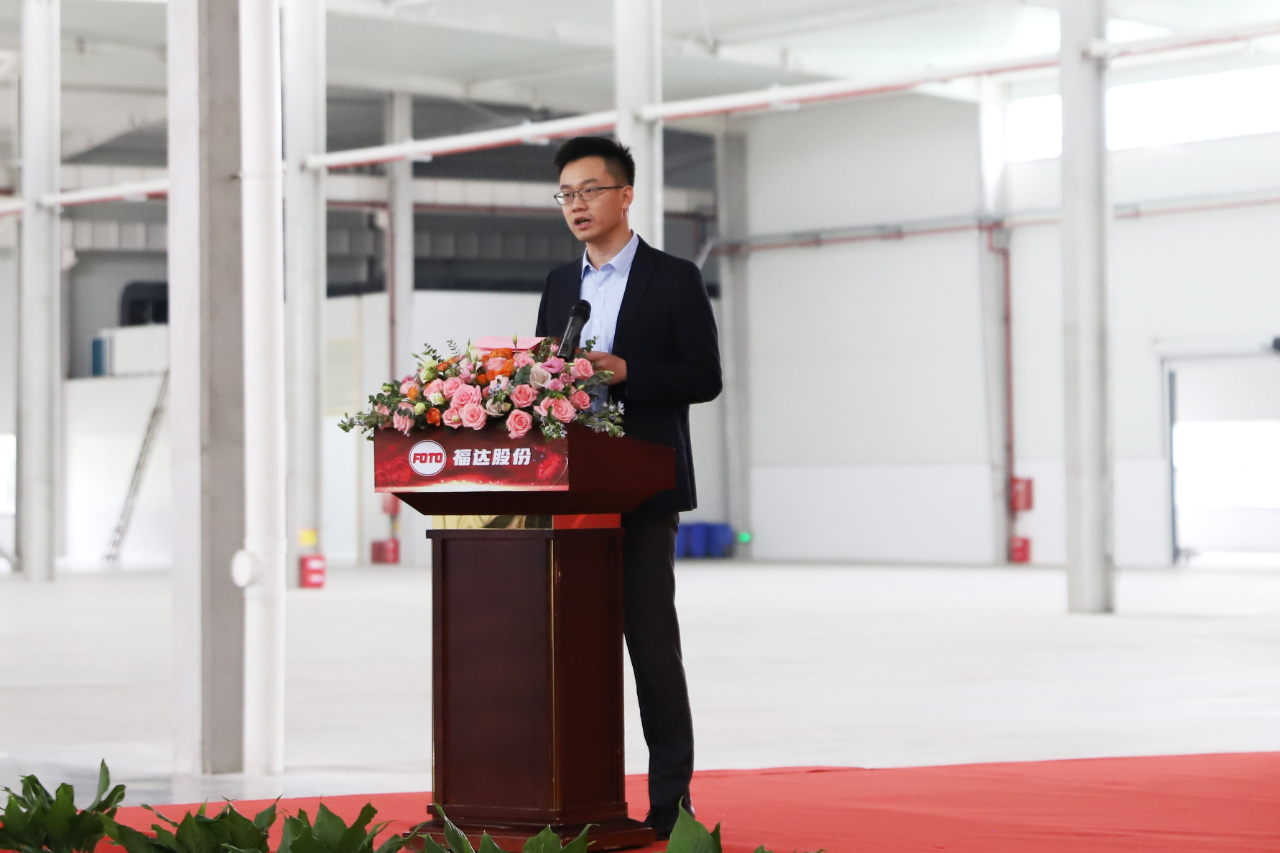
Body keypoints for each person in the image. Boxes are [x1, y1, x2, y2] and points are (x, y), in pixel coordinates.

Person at [535, 136, 722, 839]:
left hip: (642, 489)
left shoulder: (673, 278)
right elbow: (539, 376)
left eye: (589, 190)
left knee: (650, 646)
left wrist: (625, 371)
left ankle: (671, 805)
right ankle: (577, 798)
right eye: (566, 194)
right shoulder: (559, 284)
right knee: (571, 650)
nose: (576, 205)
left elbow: (704, 377)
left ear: (625, 195)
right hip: (568, 490)